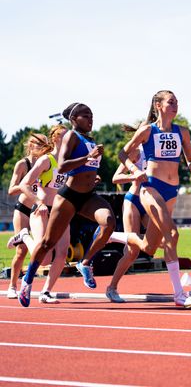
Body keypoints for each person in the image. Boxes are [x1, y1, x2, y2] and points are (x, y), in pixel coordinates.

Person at [110, 90, 191, 308]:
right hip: (150, 188)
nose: (175, 105)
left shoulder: (183, 132)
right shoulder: (147, 131)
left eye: (177, 102)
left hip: (172, 190)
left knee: (149, 247)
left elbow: (190, 156)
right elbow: (122, 154)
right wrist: (134, 170)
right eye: (171, 102)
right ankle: (179, 295)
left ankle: (114, 235)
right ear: (158, 106)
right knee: (172, 233)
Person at [18, 103, 116, 307]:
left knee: (109, 222)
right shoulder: (72, 136)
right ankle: (27, 281)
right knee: (47, 243)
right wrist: (88, 157)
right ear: (74, 119)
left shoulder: (90, 140)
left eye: (92, 115)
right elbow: (62, 167)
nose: (91, 119)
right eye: (86, 115)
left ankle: (85, 263)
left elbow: (84, 169)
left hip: (88, 196)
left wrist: (92, 175)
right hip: (69, 197)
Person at [8, 126, 69, 303]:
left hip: (58, 209)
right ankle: (12, 285)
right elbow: (19, 187)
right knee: (26, 253)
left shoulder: (67, 161)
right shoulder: (28, 163)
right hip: (28, 207)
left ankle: (46, 292)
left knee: (62, 252)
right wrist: (37, 197)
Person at [104, 145, 149, 303]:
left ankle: (114, 236)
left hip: (150, 202)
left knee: (162, 240)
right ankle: (111, 288)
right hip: (134, 201)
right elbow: (115, 178)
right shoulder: (137, 151)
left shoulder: (161, 150)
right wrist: (135, 175)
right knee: (132, 252)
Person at [5, 135, 44, 299]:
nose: (43, 147)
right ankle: (12, 286)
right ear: (30, 145)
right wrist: (26, 186)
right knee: (22, 251)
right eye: (39, 144)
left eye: (45, 144)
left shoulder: (47, 163)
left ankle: (43, 288)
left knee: (43, 248)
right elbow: (11, 189)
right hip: (23, 209)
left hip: (39, 210)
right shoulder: (23, 164)